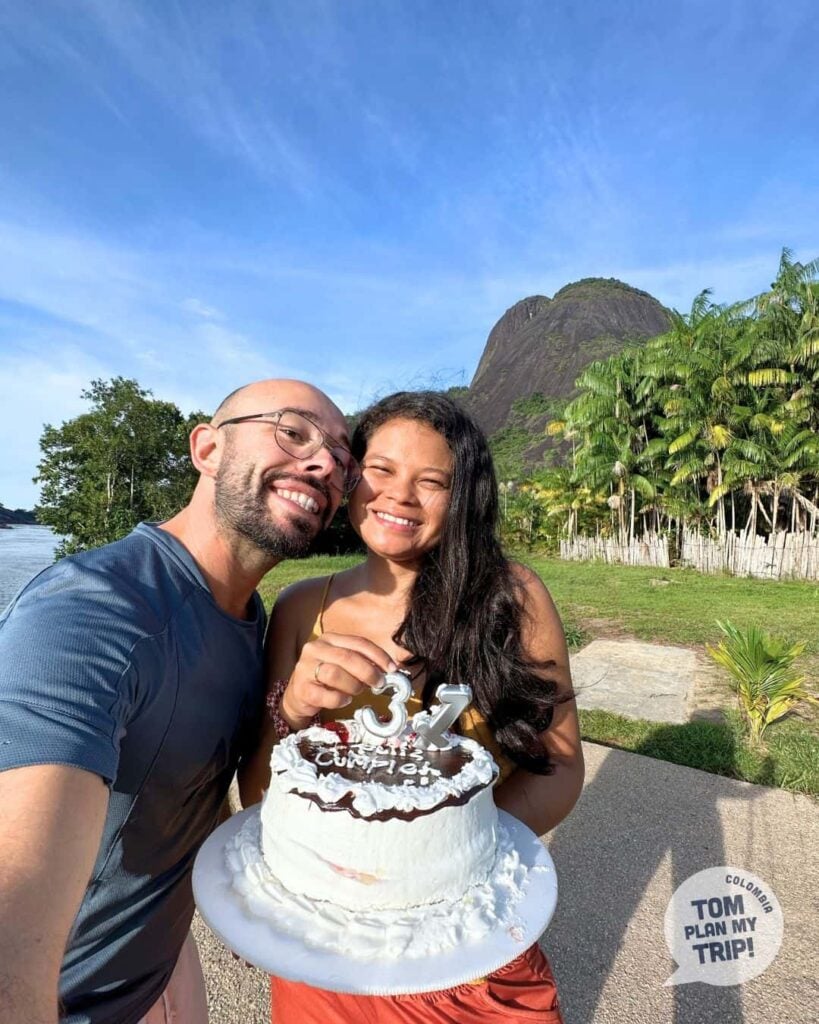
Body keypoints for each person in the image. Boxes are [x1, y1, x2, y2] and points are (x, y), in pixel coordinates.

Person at [0, 379, 378, 1024]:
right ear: (207, 448)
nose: (324, 463)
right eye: (293, 432)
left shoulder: (247, 618)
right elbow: (12, 915)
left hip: (157, 966)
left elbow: (190, 786)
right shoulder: (91, 613)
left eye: (343, 457)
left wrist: (240, 898)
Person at [240, 390, 585, 1024]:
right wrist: (295, 708)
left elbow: (560, 765)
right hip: (332, 950)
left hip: (471, 951)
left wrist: (436, 859)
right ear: (350, 478)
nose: (399, 495)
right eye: (381, 470)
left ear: (464, 498)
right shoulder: (301, 608)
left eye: (432, 482)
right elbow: (260, 791)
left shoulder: (511, 597)